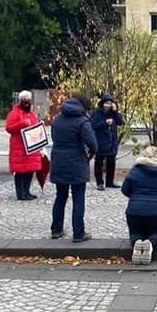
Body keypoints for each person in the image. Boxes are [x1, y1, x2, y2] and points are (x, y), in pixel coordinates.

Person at [50, 94, 97, 242]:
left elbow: (54, 137)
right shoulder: (83, 121)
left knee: (60, 197)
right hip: (77, 162)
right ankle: (78, 233)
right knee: (78, 199)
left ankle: (56, 230)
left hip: (58, 161)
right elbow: (92, 144)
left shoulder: (57, 119)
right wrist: (90, 155)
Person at [121, 146, 157, 265]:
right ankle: (151, 244)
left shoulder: (135, 170)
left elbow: (125, 190)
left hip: (134, 211)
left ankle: (137, 242)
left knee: (135, 233)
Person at [5, 90, 42, 200]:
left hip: (31, 146)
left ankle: (27, 191)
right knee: (20, 171)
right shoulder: (14, 113)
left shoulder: (32, 113)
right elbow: (9, 128)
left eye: (28, 100)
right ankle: (20, 193)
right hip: (19, 147)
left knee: (30, 170)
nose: (27, 102)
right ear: (20, 101)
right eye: (24, 100)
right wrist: (22, 124)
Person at [90, 94, 124, 190]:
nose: (108, 105)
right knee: (99, 163)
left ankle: (110, 181)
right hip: (100, 141)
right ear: (102, 103)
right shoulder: (96, 113)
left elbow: (120, 122)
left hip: (111, 141)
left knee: (111, 163)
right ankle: (99, 182)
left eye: (110, 103)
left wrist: (115, 111)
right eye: (106, 103)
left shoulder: (113, 113)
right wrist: (105, 123)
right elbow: (92, 125)